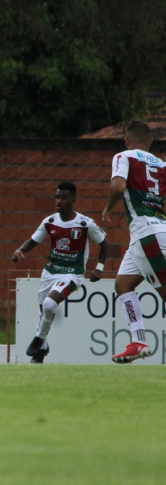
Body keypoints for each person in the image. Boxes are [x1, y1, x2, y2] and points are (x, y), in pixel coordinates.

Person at [12, 181, 108, 363]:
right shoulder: (49, 222)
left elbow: (104, 243)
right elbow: (34, 240)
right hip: (50, 272)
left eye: (64, 198)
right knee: (43, 311)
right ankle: (43, 348)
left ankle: (39, 339)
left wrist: (99, 268)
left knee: (49, 305)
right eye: (57, 197)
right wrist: (20, 250)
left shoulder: (85, 223)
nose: (59, 201)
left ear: (73, 199)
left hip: (72, 274)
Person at [102, 120, 166, 363]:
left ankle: (139, 342)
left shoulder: (123, 156)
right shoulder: (162, 164)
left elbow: (118, 187)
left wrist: (108, 209)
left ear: (126, 140)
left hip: (147, 235)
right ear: (150, 142)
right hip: (153, 232)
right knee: (123, 284)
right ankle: (138, 340)